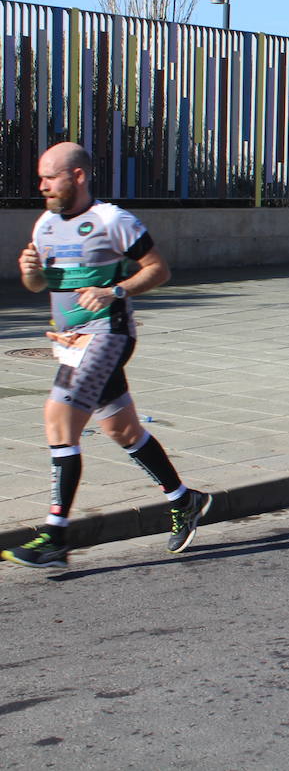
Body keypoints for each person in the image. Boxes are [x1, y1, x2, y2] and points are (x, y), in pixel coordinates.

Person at [2, 143, 212, 569]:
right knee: (122, 429)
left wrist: (114, 290)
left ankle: (55, 536)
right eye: (40, 178)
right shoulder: (44, 225)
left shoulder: (112, 220)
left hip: (108, 335)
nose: (41, 186)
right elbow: (41, 286)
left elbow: (159, 270)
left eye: (50, 178)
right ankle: (184, 499)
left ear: (77, 177)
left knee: (58, 416)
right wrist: (31, 273)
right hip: (71, 342)